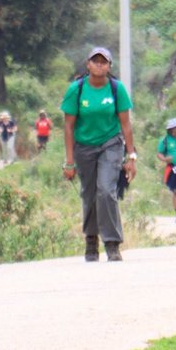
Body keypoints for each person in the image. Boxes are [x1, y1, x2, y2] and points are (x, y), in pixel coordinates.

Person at [61, 47, 137, 262]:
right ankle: (91, 239)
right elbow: (68, 127)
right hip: (84, 146)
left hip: (110, 144)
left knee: (106, 190)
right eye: (95, 61)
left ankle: (112, 243)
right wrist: (69, 161)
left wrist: (131, 157)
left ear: (109, 66)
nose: (99, 65)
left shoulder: (116, 89)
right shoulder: (76, 89)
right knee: (89, 194)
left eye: (104, 62)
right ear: (88, 64)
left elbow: (126, 124)